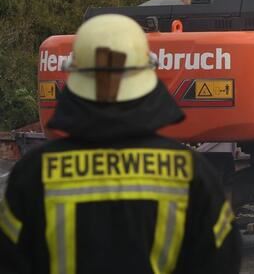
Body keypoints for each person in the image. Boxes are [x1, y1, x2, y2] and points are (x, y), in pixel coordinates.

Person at [0, 14, 240, 274]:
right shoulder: (190, 173)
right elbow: (220, 262)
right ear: (147, 76)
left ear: (75, 78)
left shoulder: (34, 173)